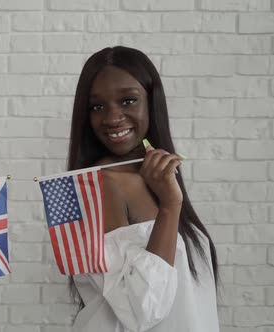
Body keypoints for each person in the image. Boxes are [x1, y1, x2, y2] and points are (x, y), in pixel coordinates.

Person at [67, 46, 219, 331]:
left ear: (152, 101)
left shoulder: (154, 176)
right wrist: (170, 206)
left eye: (128, 100)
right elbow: (142, 310)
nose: (113, 118)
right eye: (97, 106)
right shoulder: (104, 184)